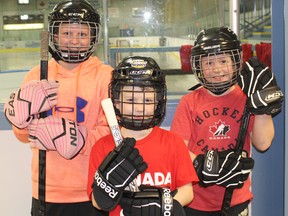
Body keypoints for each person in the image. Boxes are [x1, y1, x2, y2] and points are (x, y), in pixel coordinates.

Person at [4, 0, 113, 215]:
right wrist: (22, 121)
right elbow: (23, 135)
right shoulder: (37, 75)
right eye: (67, 33)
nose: (74, 40)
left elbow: (111, 133)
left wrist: (77, 141)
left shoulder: (105, 76)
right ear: (53, 36)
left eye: (82, 34)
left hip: (93, 189)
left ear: (94, 37)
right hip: (47, 189)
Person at [170, 26, 283, 216]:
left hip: (235, 199)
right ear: (199, 66)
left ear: (235, 61)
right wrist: (202, 164)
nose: (216, 69)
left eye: (223, 60)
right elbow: (178, 149)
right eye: (208, 62)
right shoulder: (189, 102)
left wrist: (262, 107)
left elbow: (263, 144)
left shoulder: (246, 96)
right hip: (195, 200)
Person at [87, 56, 198, 216]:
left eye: (147, 99)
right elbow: (98, 203)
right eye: (131, 99)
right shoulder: (102, 147)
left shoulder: (173, 143)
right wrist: (108, 185)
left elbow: (187, 192)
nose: (139, 108)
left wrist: (160, 206)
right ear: (116, 102)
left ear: (157, 103)